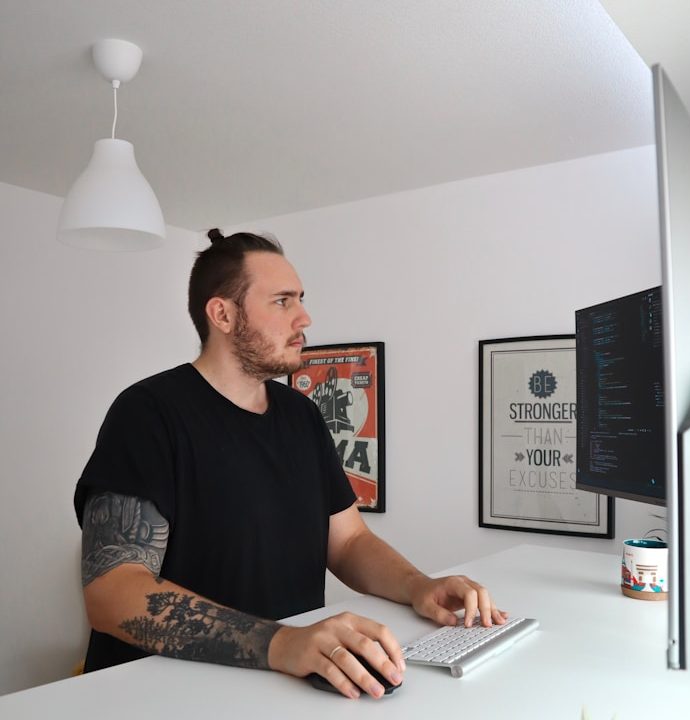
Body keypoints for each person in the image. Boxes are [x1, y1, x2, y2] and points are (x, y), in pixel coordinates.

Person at [74, 229, 507, 700]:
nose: (304, 318)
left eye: (300, 299)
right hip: (161, 698)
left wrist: (419, 586)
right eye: (282, 301)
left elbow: (348, 542)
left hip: (282, 691)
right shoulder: (148, 414)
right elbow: (112, 592)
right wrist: (281, 642)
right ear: (222, 314)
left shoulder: (301, 415)